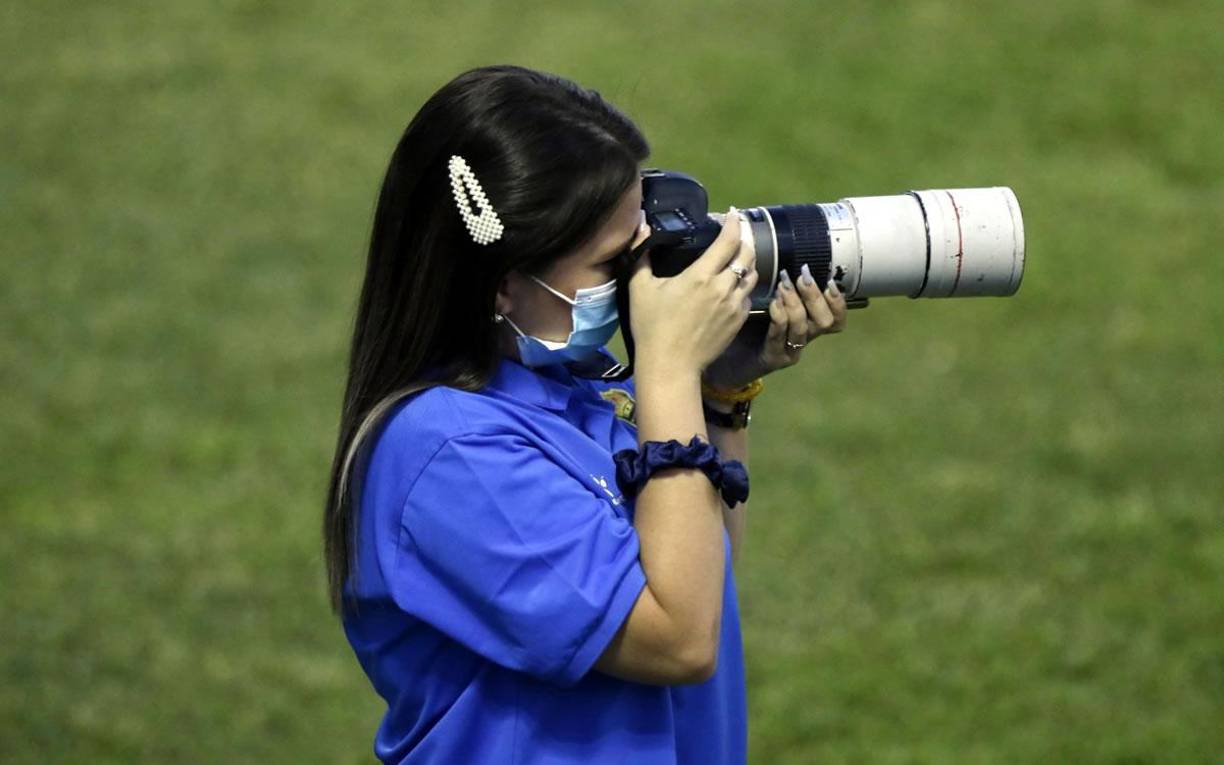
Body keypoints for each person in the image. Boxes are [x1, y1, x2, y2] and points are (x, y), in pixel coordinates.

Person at [322, 64, 847, 764]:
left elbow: (698, 574)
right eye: (612, 263)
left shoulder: (572, 391)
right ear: (504, 284)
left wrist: (718, 397)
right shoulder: (446, 455)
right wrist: (667, 367)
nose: (644, 279)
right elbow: (680, 638)